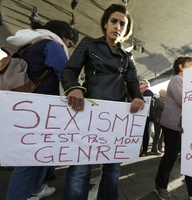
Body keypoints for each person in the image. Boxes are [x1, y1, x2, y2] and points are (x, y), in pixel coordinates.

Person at [61, 4, 145, 200]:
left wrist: (139, 97)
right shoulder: (89, 44)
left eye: (122, 24)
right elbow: (69, 70)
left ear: (126, 29)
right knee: (80, 168)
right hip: (87, 113)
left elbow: (133, 82)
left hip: (117, 118)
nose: (118, 26)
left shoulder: (127, 56)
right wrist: (74, 88)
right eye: (114, 21)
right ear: (105, 24)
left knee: (113, 170)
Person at [6, 20, 78, 200]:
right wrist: (77, 90)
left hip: (29, 107)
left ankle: (35, 189)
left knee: (39, 156)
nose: (68, 46)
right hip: (42, 110)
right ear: (62, 35)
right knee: (29, 161)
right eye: (69, 42)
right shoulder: (51, 44)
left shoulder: (30, 44)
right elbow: (64, 71)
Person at [154, 56, 192, 200]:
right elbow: (183, 100)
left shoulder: (187, 81)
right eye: (190, 64)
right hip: (173, 125)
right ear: (181, 67)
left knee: (187, 157)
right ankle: (160, 186)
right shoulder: (177, 80)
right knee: (171, 156)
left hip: (184, 126)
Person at [139, 79, 155, 157]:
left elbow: (150, 106)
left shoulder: (147, 92)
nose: (140, 85)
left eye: (141, 83)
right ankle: (142, 150)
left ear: (146, 85)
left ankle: (144, 150)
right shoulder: (141, 92)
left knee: (145, 133)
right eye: (139, 83)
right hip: (142, 116)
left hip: (145, 117)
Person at [151, 89, 166, 154]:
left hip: (163, 120)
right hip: (158, 119)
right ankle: (154, 149)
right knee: (157, 134)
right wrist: (156, 118)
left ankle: (159, 148)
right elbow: (154, 109)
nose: (166, 94)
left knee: (161, 135)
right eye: (165, 93)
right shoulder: (158, 100)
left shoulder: (164, 100)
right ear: (161, 94)